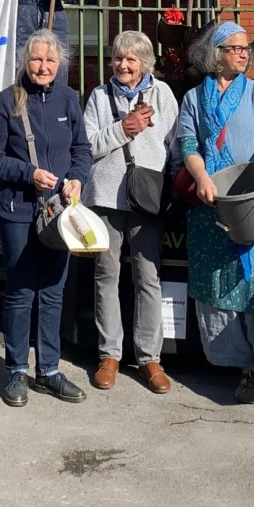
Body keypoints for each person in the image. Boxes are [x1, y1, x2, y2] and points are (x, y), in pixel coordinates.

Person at [173, 21, 254, 404]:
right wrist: (202, 177)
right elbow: (188, 142)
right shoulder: (194, 98)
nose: (244, 54)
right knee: (223, 288)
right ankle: (245, 368)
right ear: (216, 53)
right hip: (213, 203)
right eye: (236, 48)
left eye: (246, 49)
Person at [0, 29, 90, 407]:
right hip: (18, 212)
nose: (43, 66)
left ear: (61, 65)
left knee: (54, 293)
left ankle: (49, 371)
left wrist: (77, 178)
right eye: (37, 59)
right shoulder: (7, 101)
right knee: (22, 292)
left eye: (51, 60)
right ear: (26, 61)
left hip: (59, 213)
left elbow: (81, 149)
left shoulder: (69, 99)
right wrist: (28, 173)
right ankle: (15, 371)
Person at [80, 30, 178, 395]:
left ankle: (150, 358)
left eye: (131, 59)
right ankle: (109, 355)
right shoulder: (99, 96)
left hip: (147, 198)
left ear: (145, 64)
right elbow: (87, 145)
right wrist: (124, 128)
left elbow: (175, 142)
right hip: (106, 196)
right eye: (119, 58)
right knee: (105, 275)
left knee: (147, 278)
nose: (123, 65)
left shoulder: (163, 94)